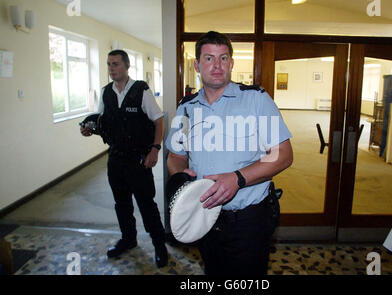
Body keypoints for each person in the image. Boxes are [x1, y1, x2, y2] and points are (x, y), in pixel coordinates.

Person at [166, 31, 293, 275]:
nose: (217, 65)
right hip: (203, 215)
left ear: (231, 64)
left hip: (248, 220)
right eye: (209, 58)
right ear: (197, 65)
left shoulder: (256, 99)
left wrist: (237, 178)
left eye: (223, 58)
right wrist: (182, 175)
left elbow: (283, 154)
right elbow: (175, 155)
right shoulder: (186, 107)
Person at [80, 50, 168, 267]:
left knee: (147, 204)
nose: (111, 68)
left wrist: (155, 149)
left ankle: (159, 245)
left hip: (139, 160)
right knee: (122, 204)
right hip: (116, 159)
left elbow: (158, 121)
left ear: (126, 66)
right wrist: (89, 129)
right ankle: (128, 239)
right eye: (109, 64)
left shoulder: (141, 90)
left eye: (116, 64)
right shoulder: (106, 93)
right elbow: (102, 122)